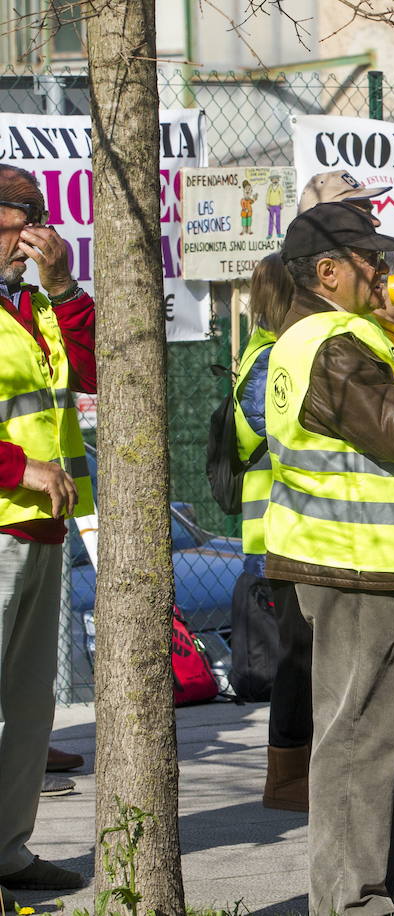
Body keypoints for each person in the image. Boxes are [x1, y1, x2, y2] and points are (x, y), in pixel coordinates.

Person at [266, 202, 394, 915]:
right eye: (373, 263)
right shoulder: (331, 343)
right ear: (328, 271)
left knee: (388, 743)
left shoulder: (338, 337)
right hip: (355, 564)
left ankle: (373, 887)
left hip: (374, 561)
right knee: (360, 743)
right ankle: (351, 900)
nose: (387, 275)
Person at [0, 164, 94, 895]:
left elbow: (95, 372)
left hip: (42, 533)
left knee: (31, 710)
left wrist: (64, 289)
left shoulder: (31, 305)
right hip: (4, 520)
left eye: (39, 221)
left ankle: (8, 853)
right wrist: (16, 468)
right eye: (20, 219)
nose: (32, 237)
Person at [233, 253, 313, 813]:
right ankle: (287, 779)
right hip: (280, 533)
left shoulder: (271, 354)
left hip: (292, 531)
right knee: (297, 660)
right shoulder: (270, 360)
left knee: (304, 657)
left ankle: (298, 775)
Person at [265, 174, 285, 239]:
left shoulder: (279, 187)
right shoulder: (270, 187)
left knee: (278, 220)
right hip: (271, 206)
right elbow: (268, 195)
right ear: (271, 180)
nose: (275, 180)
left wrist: (282, 203)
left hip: (278, 206)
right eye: (274, 179)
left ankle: (278, 233)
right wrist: (267, 203)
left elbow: (281, 195)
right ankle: (269, 234)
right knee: (271, 220)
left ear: (278, 180)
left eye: (276, 179)